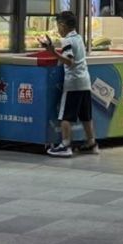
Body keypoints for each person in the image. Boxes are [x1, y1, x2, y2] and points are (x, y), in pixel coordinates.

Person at [41, 10, 98, 157]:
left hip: (73, 83)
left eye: (58, 26)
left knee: (65, 116)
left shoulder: (67, 41)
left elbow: (70, 61)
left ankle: (65, 145)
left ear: (63, 25)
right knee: (86, 116)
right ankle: (91, 143)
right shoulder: (78, 38)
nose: (58, 29)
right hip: (85, 81)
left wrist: (53, 52)